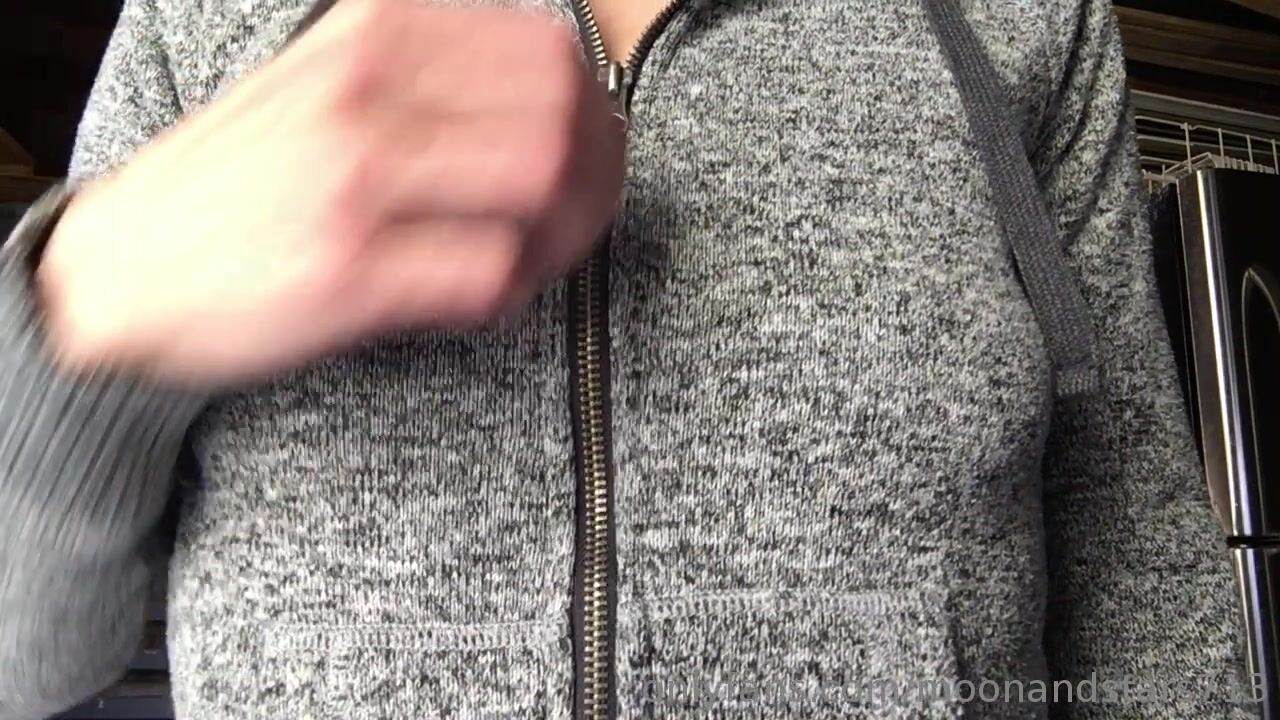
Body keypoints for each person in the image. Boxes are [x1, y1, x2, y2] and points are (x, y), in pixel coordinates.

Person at [0, 0, 1257, 717]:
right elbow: (23, 663)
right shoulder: (205, 21)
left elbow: (1141, 578)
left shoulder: (1023, 22)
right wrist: (91, 295)